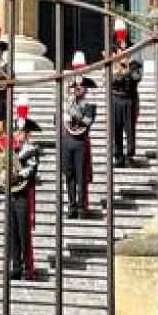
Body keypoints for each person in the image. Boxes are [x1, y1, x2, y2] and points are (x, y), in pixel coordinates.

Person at [0, 106, 44, 282]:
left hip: (23, 194)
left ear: (27, 134)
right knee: (13, 231)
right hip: (11, 194)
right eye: (15, 131)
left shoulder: (32, 149)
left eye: (20, 132)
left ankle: (28, 268)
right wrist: (1, 173)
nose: (16, 134)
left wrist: (15, 176)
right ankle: (16, 266)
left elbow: (31, 170)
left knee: (24, 233)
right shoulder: (10, 150)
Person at [59, 61, 99, 219]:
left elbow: (87, 121)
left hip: (80, 141)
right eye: (75, 86)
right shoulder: (66, 103)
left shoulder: (90, 105)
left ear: (85, 89)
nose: (77, 89)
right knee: (69, 175)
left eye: (80, 87)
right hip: (67, 140)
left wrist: (72, 111)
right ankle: (72, 205)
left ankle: (82, 206)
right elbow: (57, 122)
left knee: (81, 176)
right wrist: (64, 110)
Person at [108, 26, 141, 167]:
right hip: (115, 96)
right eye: (118, 35)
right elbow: (108, 75)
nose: (121, 38)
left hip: (129, 96)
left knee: (130, 128)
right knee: (116, 128)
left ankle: (130, 155)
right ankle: (118, 156)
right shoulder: (110, 52)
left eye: (123, 34)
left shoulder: (134, 51)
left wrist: (126, 74)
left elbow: (137, 75)